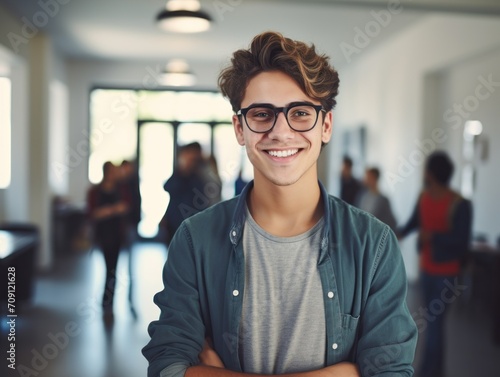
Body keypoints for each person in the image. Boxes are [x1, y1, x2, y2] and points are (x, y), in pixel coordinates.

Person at [143, 31, 417, 377]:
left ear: (326, 126)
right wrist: (345, 372)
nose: (281, 132)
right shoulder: (194, 239)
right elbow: (167, 366)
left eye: (300, 113)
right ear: (240, 129)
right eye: (261, 114)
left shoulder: (373, 244)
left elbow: (390, 372)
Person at [398, 151, 472, 377]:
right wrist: (390, 234)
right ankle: (437, 370)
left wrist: (433, 237)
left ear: (430, 173)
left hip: (447, 275)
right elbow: (412, 223)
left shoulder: (460, 204)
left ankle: (426, 371)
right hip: (427, 269)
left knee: (434, 324)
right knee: (433, 324)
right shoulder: (424, 197)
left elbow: (461, 242)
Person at [87, 161, 129, 322]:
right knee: (109, 269)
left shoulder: (121, 189)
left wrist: (108, 211)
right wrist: (113, 210)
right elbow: (93, 213)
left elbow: (126, 207)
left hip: (117, 235)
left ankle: (108, 303)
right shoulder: (95, 191)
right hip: (103, 236)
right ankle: (106, 302)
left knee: (112, 270)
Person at [160, 142, 206, 246]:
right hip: (173, 223)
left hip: (191, 225)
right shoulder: (179, 174)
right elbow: (168, 187)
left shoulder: (200, 176)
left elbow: (202, 201)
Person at [357, 167, 397, 231]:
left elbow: (392, 222)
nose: (365, 180)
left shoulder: (383, 200)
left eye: (368, 177)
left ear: (374, 178)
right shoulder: (363, 197)